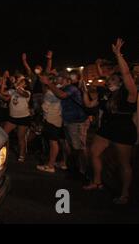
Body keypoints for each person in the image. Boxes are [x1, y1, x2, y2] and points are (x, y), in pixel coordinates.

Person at [84, 39, 138, 205]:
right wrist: (84, 91)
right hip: (107, 128)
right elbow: (89, 104)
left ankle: (124, 194)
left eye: (113, 80)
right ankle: (97, 182)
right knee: (93, 152)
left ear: (121, 83)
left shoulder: (130, 93)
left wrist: (118, 55)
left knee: (123, 164)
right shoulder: (108, 94)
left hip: (123, 129)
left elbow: (127, 74)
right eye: (108, 81)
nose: (109, 82)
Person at [40, 71, 89, 177]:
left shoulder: (71, 88)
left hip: (77, 121)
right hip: (69, 121)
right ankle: (70, 165)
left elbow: (61, 95)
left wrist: (49, 83)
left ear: (66, 79)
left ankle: (84, 171)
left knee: (79, 147)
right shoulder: (64, 88)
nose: (57, 79)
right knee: (70, 145)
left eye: (59, 77)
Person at [37, 74, 66, 173]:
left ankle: (50, 166)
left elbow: (61, 95)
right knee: (53, 142)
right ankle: (59, 162)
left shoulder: (57, 88)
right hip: (49, 118)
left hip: (53, 119)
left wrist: (48, 82)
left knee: (53, 142)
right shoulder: (51, 88)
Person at [0, 76, 32, 162]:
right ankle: (4, 152)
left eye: (21, 82)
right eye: (19, 81)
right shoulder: (12, 91)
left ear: (25, 85)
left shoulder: (27, 92)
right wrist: (3, 84)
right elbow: (2, 92)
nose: (19, 82)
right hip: (12, 117)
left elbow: (23, 94)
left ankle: (22, 156)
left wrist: (15, 84)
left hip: (23, 117)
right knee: (3, 134)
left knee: (20, 137)